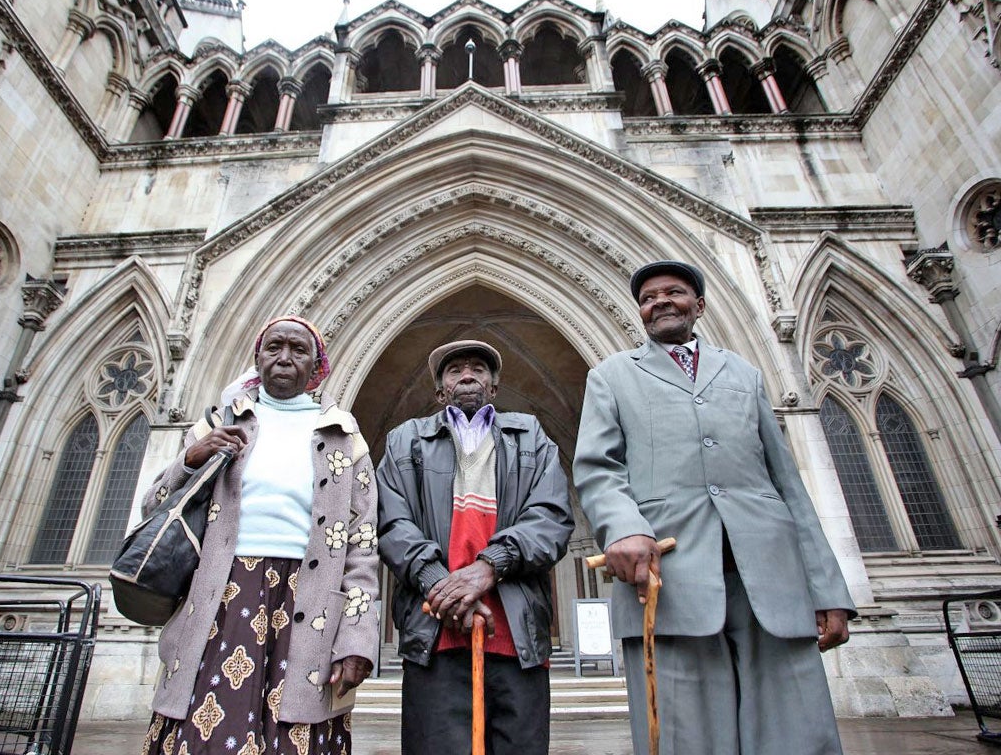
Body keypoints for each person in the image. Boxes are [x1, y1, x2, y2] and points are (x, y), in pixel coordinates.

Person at [573, 261, 856, 755]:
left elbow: (788, 485)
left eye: (674, 292)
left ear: (698, 306)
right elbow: (598, 468)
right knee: (688, 737)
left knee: (794, 733)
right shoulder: (611, 377)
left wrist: (827, 589)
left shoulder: (743, 374)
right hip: (671, 579)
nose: (660, 301)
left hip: (769, 579)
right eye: (648, 297)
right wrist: (623, 529)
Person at [141, 315, 379, 755]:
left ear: (316, 366)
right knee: (207, 733)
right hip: (220, 601)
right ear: (257, 357)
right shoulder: (217, 424)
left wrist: (358, 638)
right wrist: (191, 458)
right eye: (274, 348)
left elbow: (362, 545)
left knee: (295, 738)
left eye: (298, 350)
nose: (285, 358)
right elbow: (153, 507)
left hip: (311, 604)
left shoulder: (346, 438)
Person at [376, 340, 574, 755]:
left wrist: (491, 565)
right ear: (439, 391)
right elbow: (392, 523)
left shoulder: (532, 437)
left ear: (495, 389)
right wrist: (440, 585)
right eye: (455, 370)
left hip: (516, 636)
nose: (468, 375)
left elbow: (551, 517)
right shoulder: (403, 441)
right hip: (434, 635)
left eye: (479, 369)